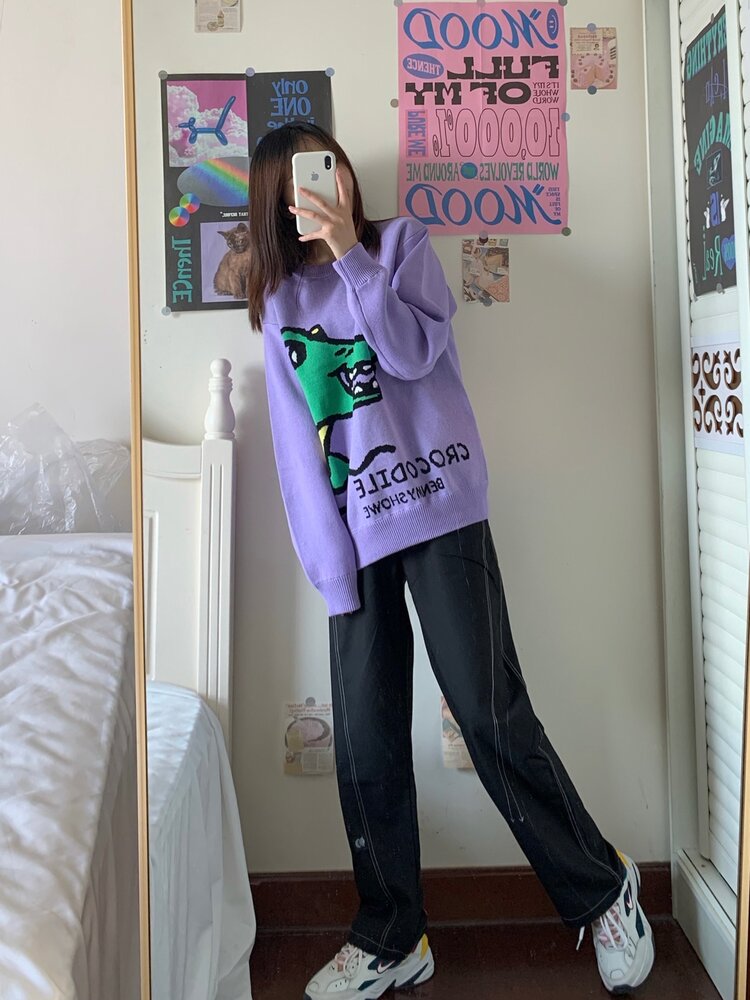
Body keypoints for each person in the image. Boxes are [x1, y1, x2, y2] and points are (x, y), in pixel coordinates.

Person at [246, 122, 655, 1000]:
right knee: (365, 742)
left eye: (330, 166)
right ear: (277, 203)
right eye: (302, 180)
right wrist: (328, 564)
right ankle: (393, 935)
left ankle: (602, 887)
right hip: (356, 536)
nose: (324, 184)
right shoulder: (280, 305)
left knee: (488, 712)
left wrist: (351, 254)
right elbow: (294, 450)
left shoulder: (402, 246)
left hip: (440, 507)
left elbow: (411, 351)